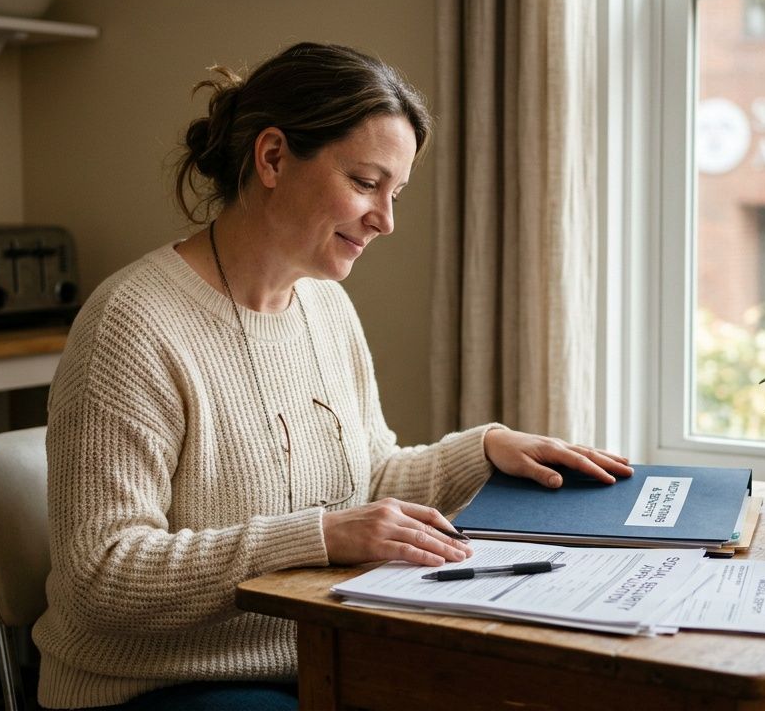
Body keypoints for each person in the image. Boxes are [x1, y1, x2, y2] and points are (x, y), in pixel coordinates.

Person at [31, 42, 633, 710]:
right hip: (155, 687)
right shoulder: (132, 323)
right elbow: (100, 577)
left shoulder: (324, 305)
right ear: (273, 158)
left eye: (395, 192)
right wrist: (318, 535)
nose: (386, 220)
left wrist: (484, 451)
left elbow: (366, 483)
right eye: (366, 183)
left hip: (321, 658)